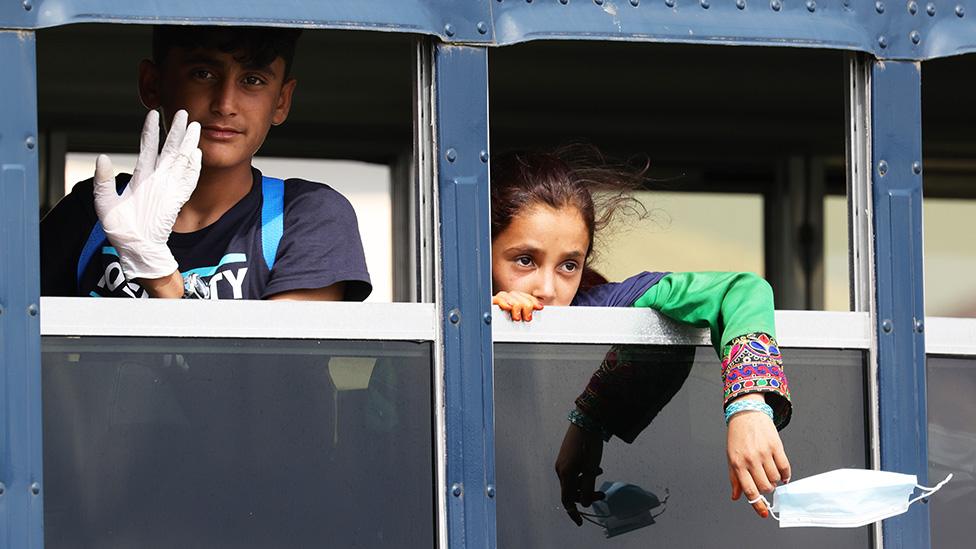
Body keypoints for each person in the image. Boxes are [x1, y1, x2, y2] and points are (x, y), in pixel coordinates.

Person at [489, 148, 792, 525]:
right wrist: (484, 317)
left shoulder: (603, 306)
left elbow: (742, 291)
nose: (547, 288)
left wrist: (749, 407)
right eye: (525, 260)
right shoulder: (456, 324)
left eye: (569, 265)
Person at [41, 25, 371, 301]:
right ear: (152, 84)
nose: (225, 103)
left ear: (281, 101)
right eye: (203, 73)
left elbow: (274, 373)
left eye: (253, 79)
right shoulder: (93, 213)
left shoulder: (306, 216)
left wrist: (160, 278)